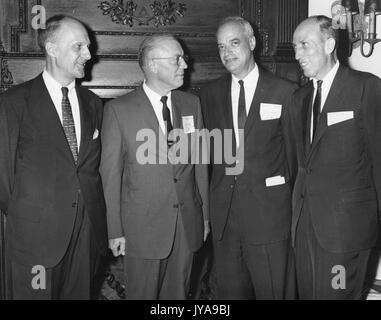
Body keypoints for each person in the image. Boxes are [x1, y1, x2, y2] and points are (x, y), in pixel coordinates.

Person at [0, 15, 108, 299]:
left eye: (87, 46)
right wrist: (33, 217)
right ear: (51, 49)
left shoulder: (94, 104)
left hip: (86, 238)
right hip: (35, 242)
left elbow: (92, 171)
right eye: (78, 46)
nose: (88, 54)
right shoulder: (13, 103)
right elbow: (3, 178)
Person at [100, 34, 209, 300]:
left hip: (187, 224)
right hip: (141, 229)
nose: (185, 65)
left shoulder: (191, 104)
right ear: (152, 65)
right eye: (177, 59)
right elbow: (110, 174)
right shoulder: (118, 109)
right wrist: (115, 229)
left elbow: (201, 163)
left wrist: (204, 216)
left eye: (184, 59)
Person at [200, 16, 297, 299]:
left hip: (270, 219)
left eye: (234, 43)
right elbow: (208, 157)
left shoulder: (285, 92)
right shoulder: (210, 94)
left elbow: (294, 159)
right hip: (226, 221)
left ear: (252, 42)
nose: (227, 52)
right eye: (221, 47)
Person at [291, 15, 381, 299]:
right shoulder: (299, 98)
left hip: (347, 231)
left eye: (305, 45)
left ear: (329, 44)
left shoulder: (365, 87)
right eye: (295, 47)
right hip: (306, 228)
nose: (297, 55)